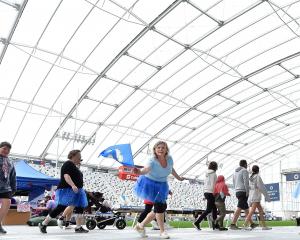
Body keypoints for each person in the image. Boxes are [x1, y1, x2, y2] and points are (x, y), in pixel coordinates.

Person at [133, 141, 185, 239]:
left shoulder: (169, 159)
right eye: (158, 147)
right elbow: (146, 169)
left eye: (163, 148)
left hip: (162, 184)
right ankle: (162, 232)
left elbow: (171, 169)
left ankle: (140, 226)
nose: (160, 149)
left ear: (166, 150)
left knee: (161, 207)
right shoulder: (152, 160)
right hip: (150, 183)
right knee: (160, 206)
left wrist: (179, 178)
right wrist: (139, 172)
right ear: (155, 149)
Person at [39, 150, 88, 234]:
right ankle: (44, 223)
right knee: (61, 207)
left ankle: (78, 227)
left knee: (80, 207)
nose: (80, 158)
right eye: (79, 156)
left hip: (77, 190)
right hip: (68, 189)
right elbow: (66, 176)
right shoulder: (68, 164)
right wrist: (72, 185)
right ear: (73, 156)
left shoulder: (75, 167)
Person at [230, 160, 258, 230]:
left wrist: (236, 190)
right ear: (245, 164)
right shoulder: (244, 171)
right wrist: (247, 191)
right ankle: (233, 224)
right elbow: (246, 181)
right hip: (243, 191)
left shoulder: (234, 172)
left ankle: (252, 223)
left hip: (237, 191)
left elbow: (233, 182)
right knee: (239, 207)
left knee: (245, 208)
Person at [244, 165, 272, 230]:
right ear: (258, 170)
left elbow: (249, 187)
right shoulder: (257, 177)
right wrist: (267, 196)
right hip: (256, 196)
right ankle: (245, 224)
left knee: (261, 211)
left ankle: (264, 226)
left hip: (252, 195)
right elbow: (261, 187)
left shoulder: (250, 177)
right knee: (252, 211)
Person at [193, 161, 218, 230]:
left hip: (206, 192)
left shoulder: (206, 174)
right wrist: (214, 193)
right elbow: (214, 184)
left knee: (214, 208)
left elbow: (206, 183)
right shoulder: (214, 174)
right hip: (211, 192)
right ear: (216, 167)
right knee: (209, 209)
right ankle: (197, 222)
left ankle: (215, 224)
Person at [0, 142, 16, 234]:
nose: (6, 151)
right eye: (4, 148)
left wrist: (14, 187)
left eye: (8, 150)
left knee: (7, 203)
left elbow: (13, 175)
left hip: (6, 187)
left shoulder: (10, 161)